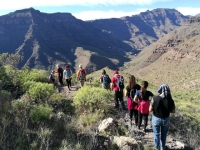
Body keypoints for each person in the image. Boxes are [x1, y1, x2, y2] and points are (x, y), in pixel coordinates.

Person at [149, 84, 175, 150]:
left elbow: (150, 110)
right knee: (164, 135)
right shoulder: (170, 100)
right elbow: (173, 111)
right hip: (166, 119)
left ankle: (157, 148)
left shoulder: (154, 98)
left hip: (156, 119)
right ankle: (162, 148)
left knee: (156, 135)